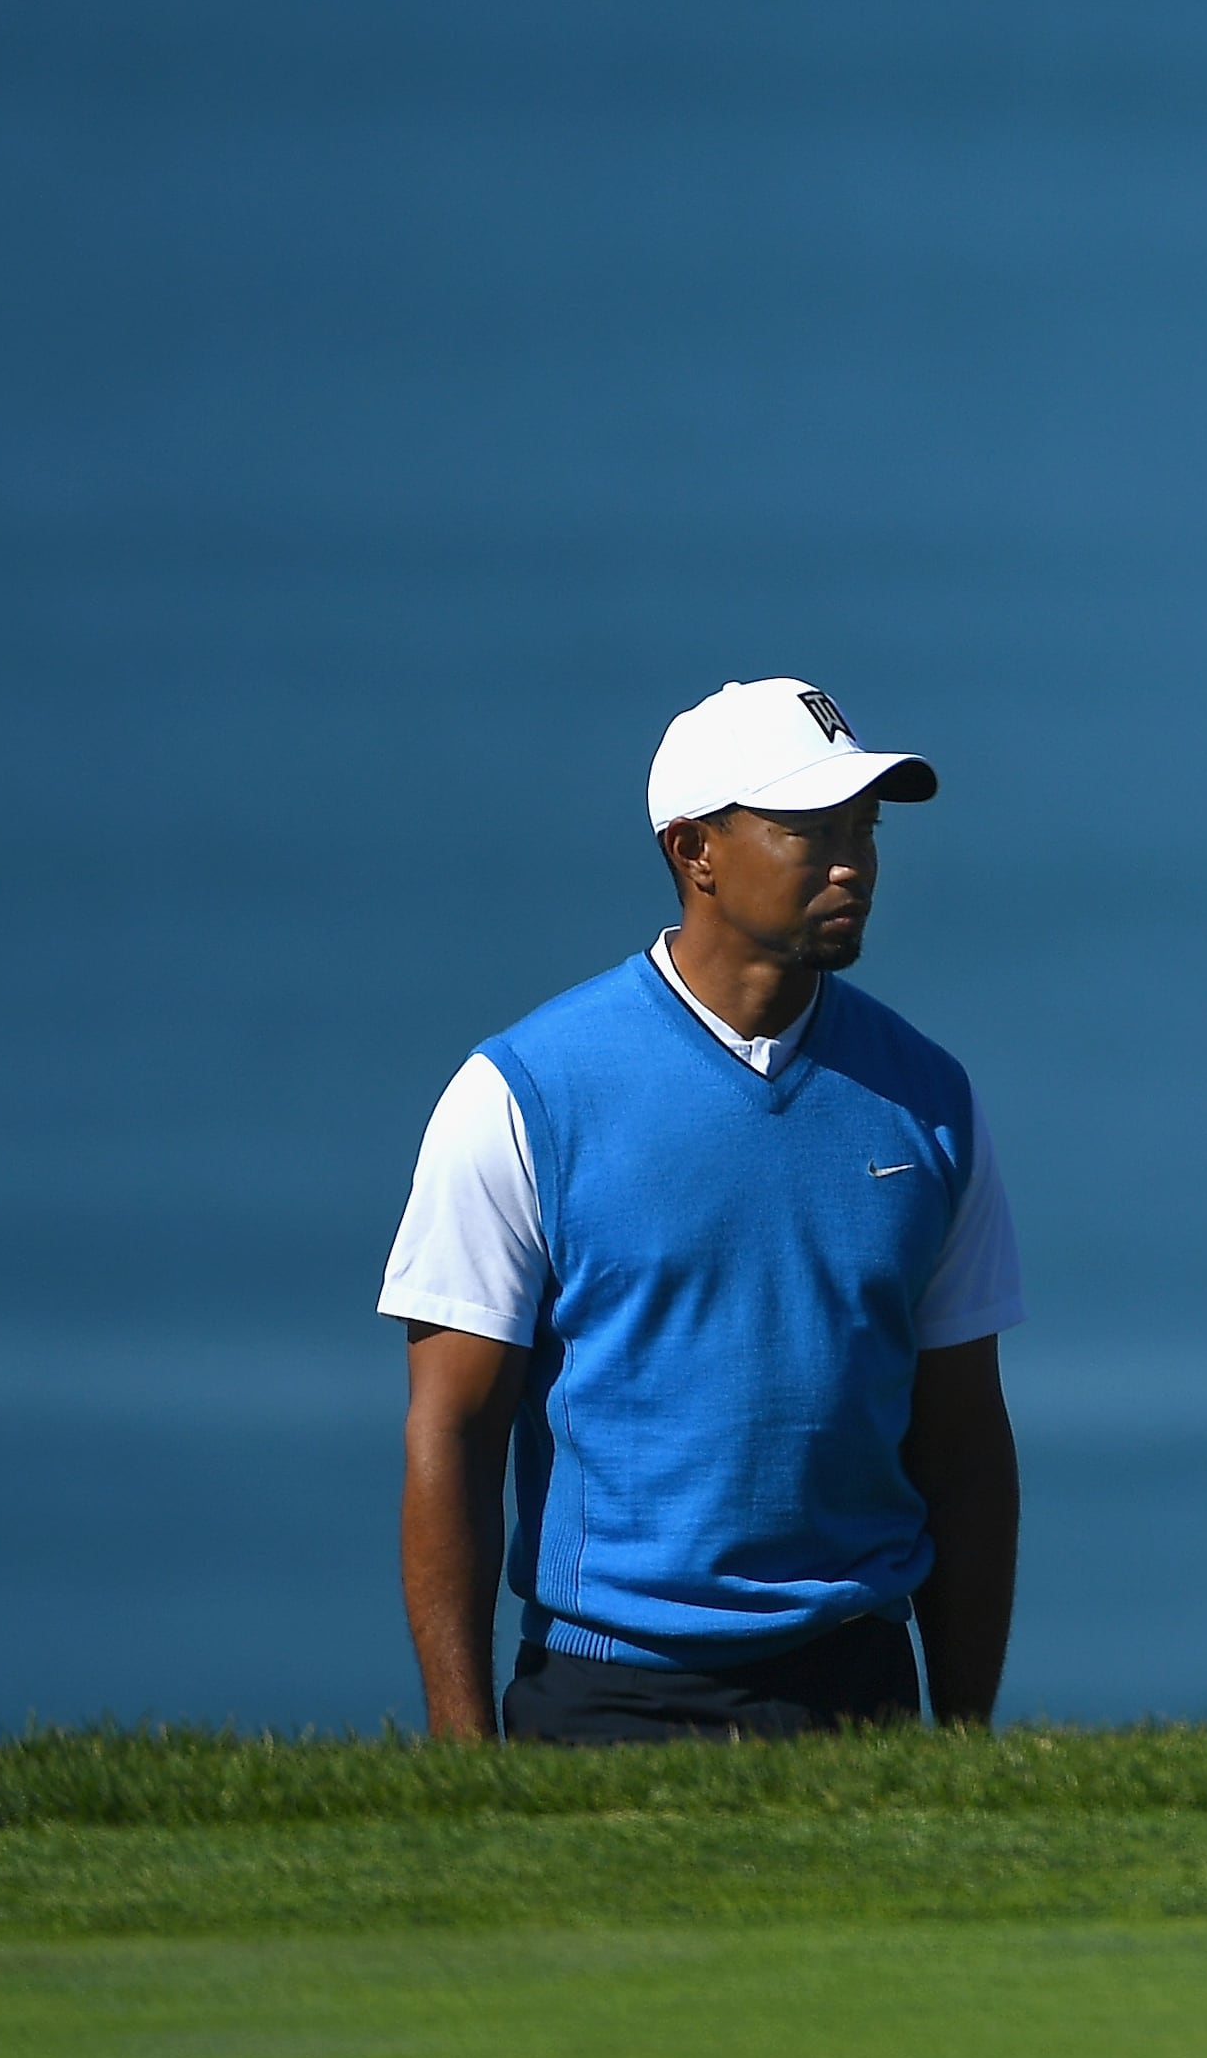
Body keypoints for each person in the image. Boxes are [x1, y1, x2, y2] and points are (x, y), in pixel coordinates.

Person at [380, 678, 1024, 1742]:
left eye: (862, 826)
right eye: (809, 828)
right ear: (696, 852)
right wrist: (463, 1757)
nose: (852, 860)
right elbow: (453, 1428)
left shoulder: (931, 1099)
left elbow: (963, 1438)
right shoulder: (524, 1093)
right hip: (608, 1694)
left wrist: (962, 1748)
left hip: (859, 1684)